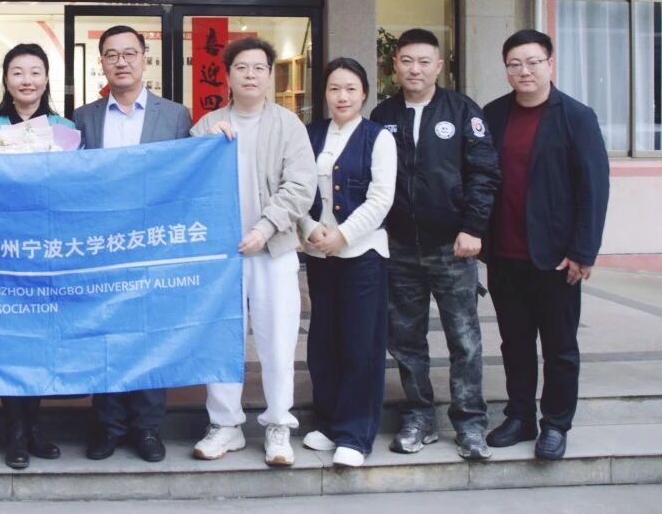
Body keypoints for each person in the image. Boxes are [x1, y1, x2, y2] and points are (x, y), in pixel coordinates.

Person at [370, 28, 500, 461]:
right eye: (407, 61)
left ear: (439, 66)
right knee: (406, 341)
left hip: (452, 247)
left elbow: (484, 174)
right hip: (400, 248)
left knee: (464, 339)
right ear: (395, 65)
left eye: (424, 61)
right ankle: (419, 417)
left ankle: (471, 423)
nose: (415, 69)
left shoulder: (462, 111)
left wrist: (473, 227)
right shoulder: (383, 114)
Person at [482, 29, 609, 461]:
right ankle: (520, 417)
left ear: (550, 64)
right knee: (514, 343)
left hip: (556, 257)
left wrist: (583, 251)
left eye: (533, 62)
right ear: (506, 69)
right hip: (505, 254)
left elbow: (594, 188)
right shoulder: (494, 115)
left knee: (559, 347)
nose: (525, 71)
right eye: (515, 64)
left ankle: (555, 424)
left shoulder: (576, 116)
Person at [189, 37, 314, 467]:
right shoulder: (208, 124)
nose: (250, 75)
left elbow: (301, 186)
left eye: (259, 68)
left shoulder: (288, 125)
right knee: (221, 341)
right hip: (221, 256)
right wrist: (203, 143)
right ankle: (226, 424)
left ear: (270, 75)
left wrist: (265, 227)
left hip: (272, 250)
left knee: (278, 342)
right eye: (241, 67)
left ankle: (278, 423)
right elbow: (187, 178)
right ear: (227, 75)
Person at [72, 24, 192, 463]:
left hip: (152, 244)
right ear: (101, 62)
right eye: (111, 55)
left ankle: (147, 428)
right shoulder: (83, 118)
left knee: (150, 335)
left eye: (129, 53)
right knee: (105, 335)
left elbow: (188, 177)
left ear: (145, 59)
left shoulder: (175, 116)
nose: (121, 62)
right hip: (102, 247)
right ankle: (108, 426)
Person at [0, 42, 75, 469]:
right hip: (0, 248)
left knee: (41, 341)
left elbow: (74, 187)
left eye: (35, 72)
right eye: (17, 72)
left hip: (46, 248)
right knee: (7, 340)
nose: (26, 80)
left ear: (47, 79)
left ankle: (33, 427)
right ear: (6, 80)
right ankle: (13, 431)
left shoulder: (65, 129)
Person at [300, 58, 396, 468]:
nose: (342, 96)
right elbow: (295, 189)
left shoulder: (378, 137)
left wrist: (342, 235)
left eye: (351, 89)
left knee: (361, 345)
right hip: (319, 253)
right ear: (324, 92)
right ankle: (328, 422)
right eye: (334, 88)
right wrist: (310, 229)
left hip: (363, 255)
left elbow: (381, 198)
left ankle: (356, 434)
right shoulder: (309, 134)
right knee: (324, 342)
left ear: (364, 93)